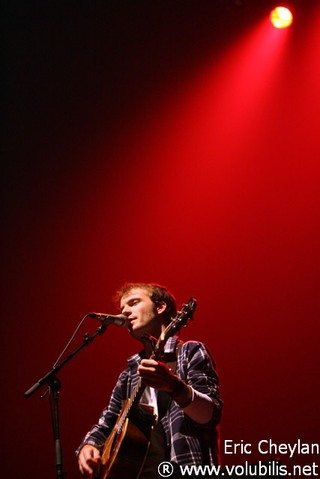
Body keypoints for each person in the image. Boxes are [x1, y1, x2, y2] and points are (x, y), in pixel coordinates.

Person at [77, 282, 223, 478]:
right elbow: (106, 424)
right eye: (122, 308)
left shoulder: (189, 352)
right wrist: (89, 446)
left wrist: (174, 386)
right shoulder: (128, 375)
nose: (125, 312)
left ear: (160, 307)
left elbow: (209, 414)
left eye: (134, 303)